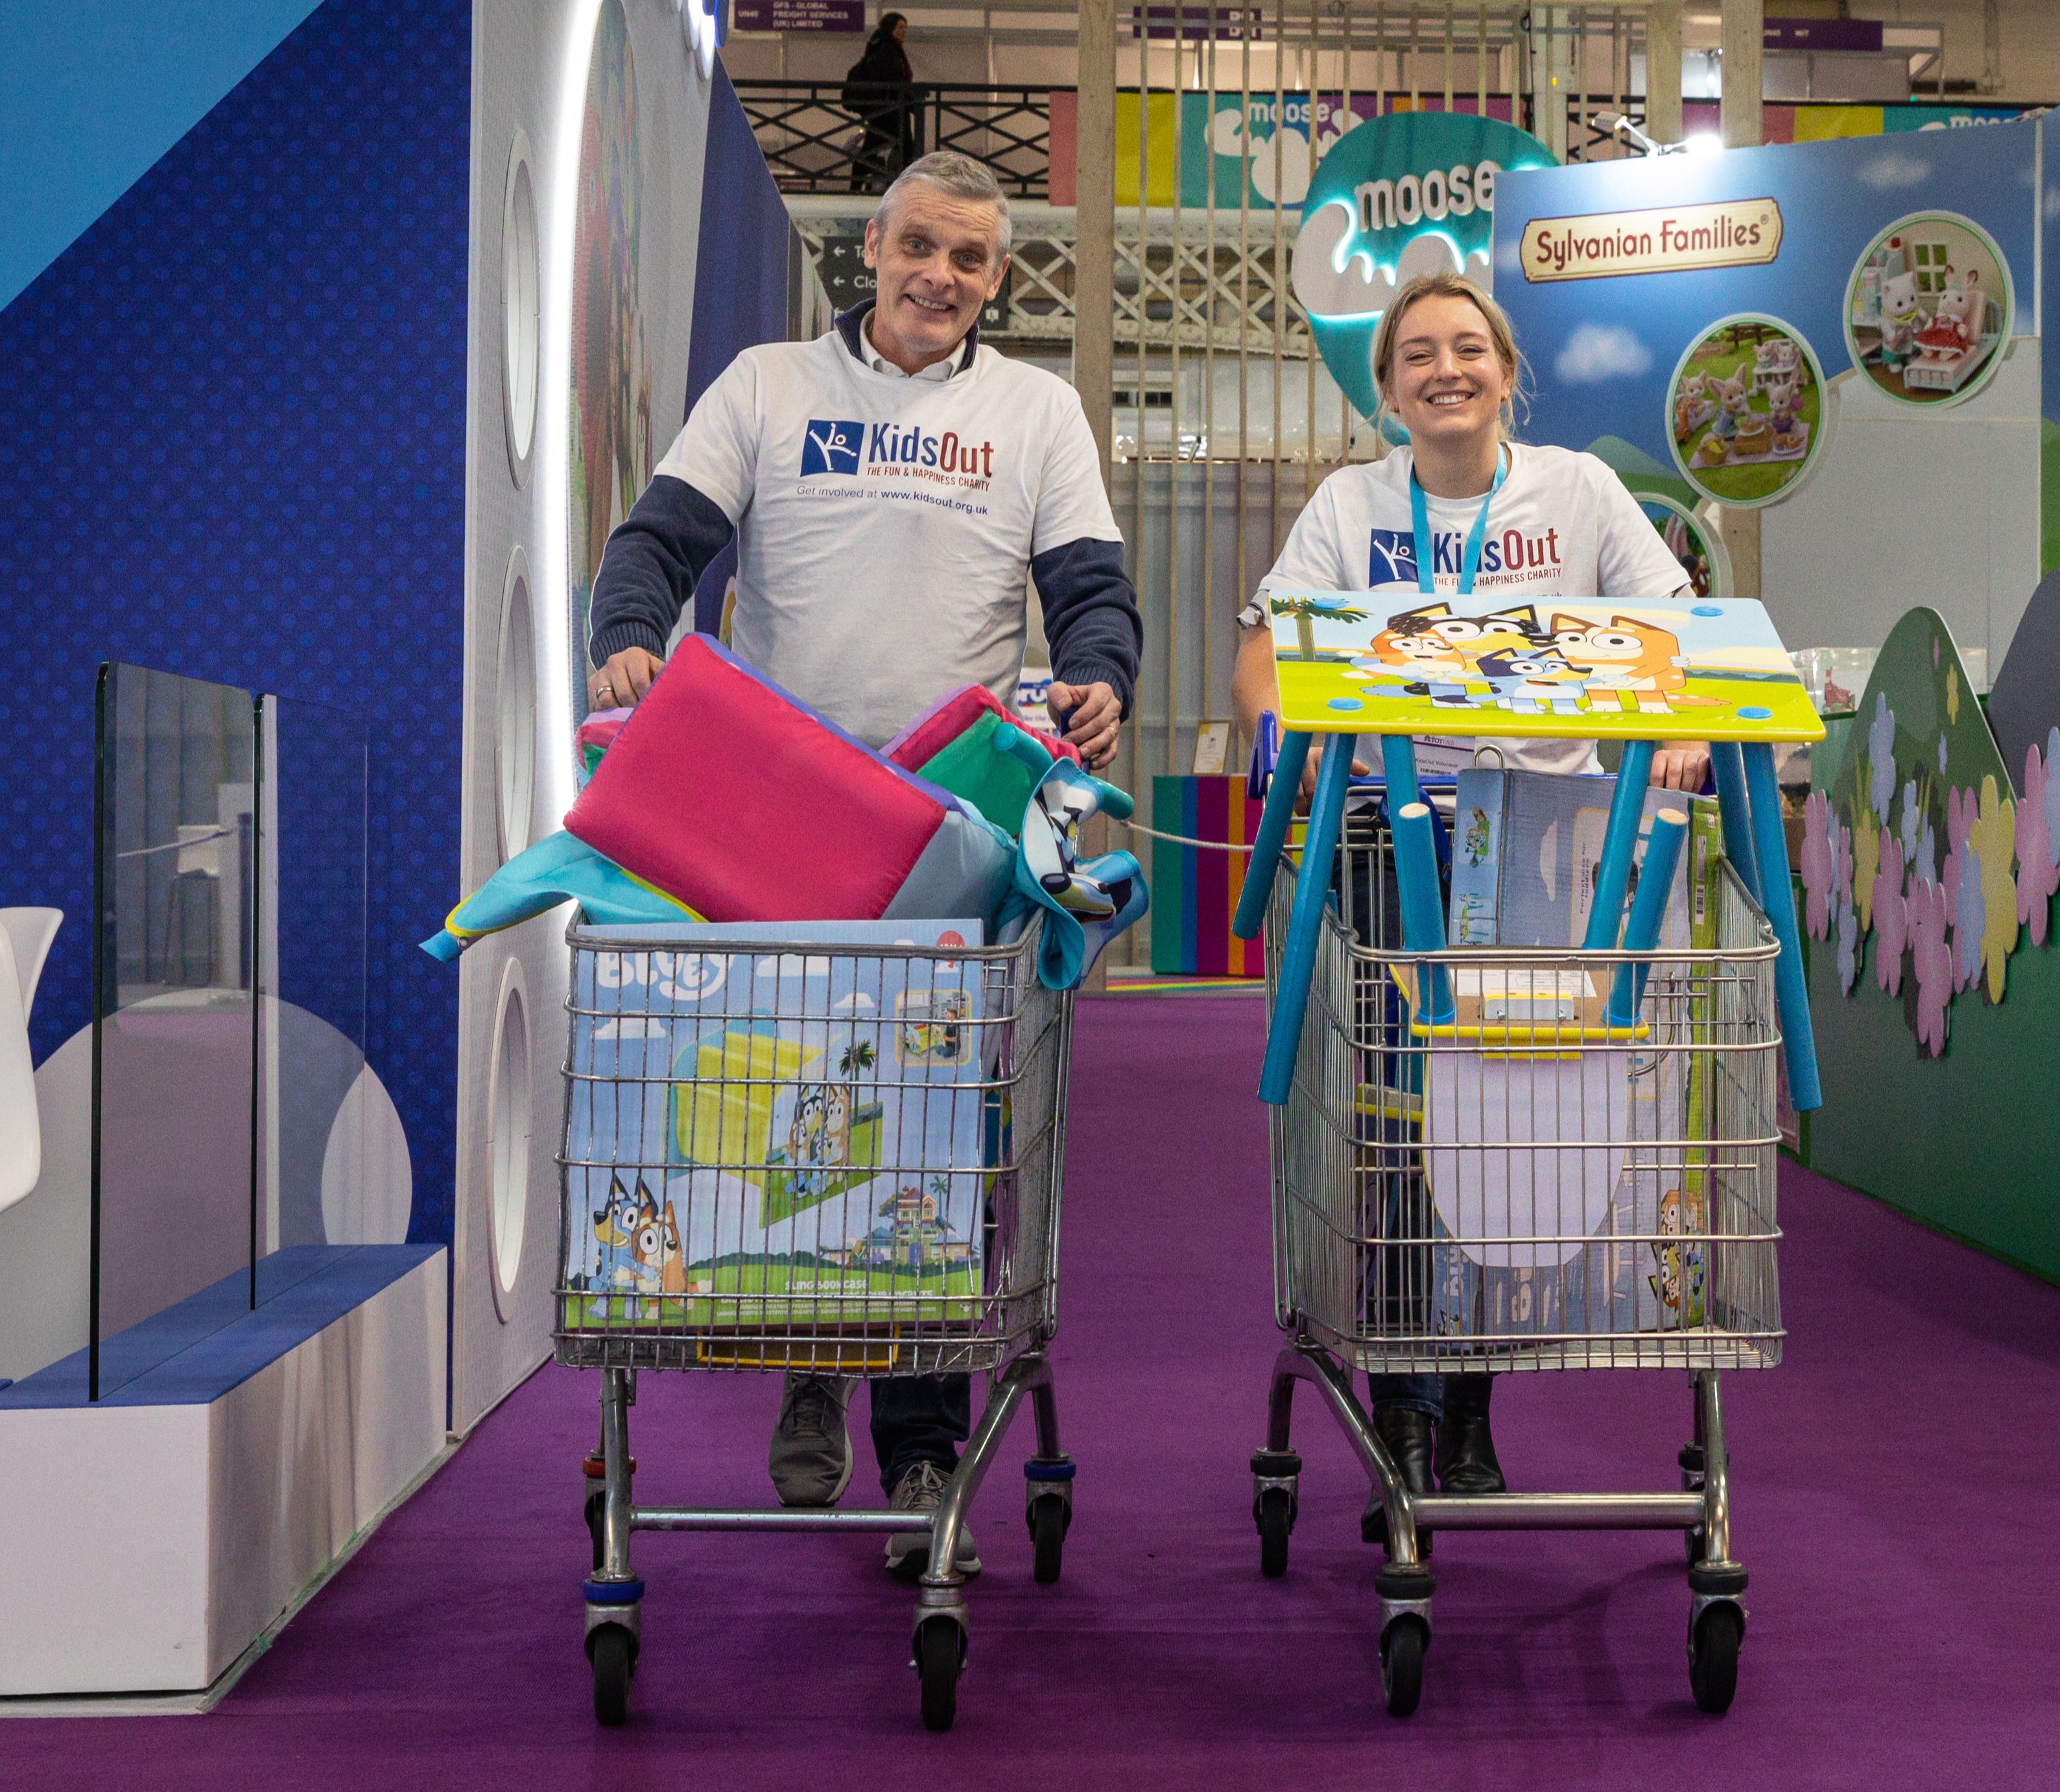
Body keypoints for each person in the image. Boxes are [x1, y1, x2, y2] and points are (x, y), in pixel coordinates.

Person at [585, 150, 1141, 1578]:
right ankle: (809, 1360)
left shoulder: (1037, 410)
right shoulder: (768, 387)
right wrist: (629, 636)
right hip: (770, 816)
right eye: (918, 248)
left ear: (995, 279)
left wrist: (1098, 677)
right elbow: (657, 541)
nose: (939, 277)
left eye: (969, 258)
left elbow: (1089, 588)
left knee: (930, 1119)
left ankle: (920, 1438)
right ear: (871, 251)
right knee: (775, 1101)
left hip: (945, 826)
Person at [1229, 272, 1707, 1535]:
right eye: (1418, 354)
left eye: (1469, 348)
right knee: (1395, 1124)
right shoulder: (1349, 504)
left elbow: (1677, 625)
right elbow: (1269, 643)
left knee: (1508, 1123)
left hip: (1539, 842)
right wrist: (1279, 714)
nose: (1446, 369)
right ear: (1385, 387)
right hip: (1387, 837)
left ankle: (1472, 1397)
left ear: (1506, 371)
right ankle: (1395, 1388)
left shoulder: (1579, 494)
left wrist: (1679, 728)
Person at [842, 14, 916, 196]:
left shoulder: (884, 47)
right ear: (890, 28)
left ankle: (855, 189)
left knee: (873, 149)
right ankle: (910, 192)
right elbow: (893, 80)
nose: (903, 32)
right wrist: (911, 101)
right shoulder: (887, 50)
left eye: (905, 28)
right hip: (889, 112)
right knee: (906, 151)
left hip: (888, 111)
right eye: (900, 28)